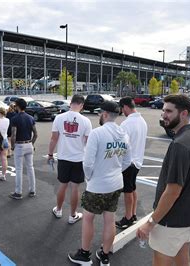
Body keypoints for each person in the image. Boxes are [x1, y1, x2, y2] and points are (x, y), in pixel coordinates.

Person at [136, 94, 190, 265]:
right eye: (163, 111)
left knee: (161, 261)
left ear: (184, 114)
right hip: (186, 217)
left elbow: (173, 191)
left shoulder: (180, 144)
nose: (164, 115)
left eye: (169, 111)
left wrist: (151, 222)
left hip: (171, 220)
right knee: (182, 258)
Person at [68, 101, 131, 266]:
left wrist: (90, 177)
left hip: (98, 184)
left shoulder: (97, 133)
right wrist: (115, 171)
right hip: (116, 183)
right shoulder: (124, 134)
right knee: (109, 219)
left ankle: (84, 254)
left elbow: (87, 163)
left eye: (99, 114)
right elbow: (127, 161)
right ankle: (104, 256)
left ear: (104, 114)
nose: (98, 116)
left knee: (88, 218)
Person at [48, 94, 92, 224]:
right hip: (79, 158)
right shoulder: (86, 121)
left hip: (63, 157)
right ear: (82, 105)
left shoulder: (59, 118)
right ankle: (72, 215)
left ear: (71, 103)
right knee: (75, 188)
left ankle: (59, 210)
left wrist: (50, 154)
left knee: (63, 185)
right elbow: (88, 142)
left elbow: (54, 138)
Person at [116, 96, 148, 229]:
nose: (122, 112)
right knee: (132, 188)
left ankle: (128, 217)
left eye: (122, 109)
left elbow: (121, 145)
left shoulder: (126, 124)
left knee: (128, 191)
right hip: (138, 160)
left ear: (125, 107)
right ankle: (133, 214)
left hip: (128, 162)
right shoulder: (142, 121)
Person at [9, 98, 38, 200]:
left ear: (17, 106)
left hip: (19, 145)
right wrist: (32, 144)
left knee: (19, 169)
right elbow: (36, 134)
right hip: (29, 144)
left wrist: (12, 146)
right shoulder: (30, 118)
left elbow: (13, 135)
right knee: (30, 168)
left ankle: (18, 192)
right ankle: (32, 190)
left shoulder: (15, 119)